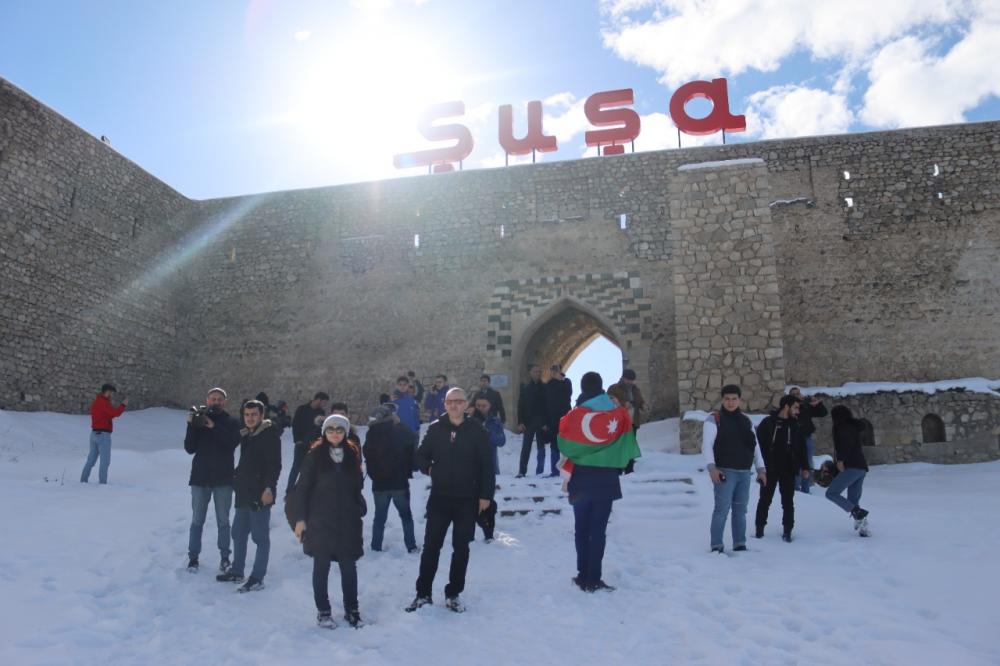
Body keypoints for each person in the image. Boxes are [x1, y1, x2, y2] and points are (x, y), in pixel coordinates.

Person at [406, 388, 495, 614]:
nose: (453, 405)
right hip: (440, 498)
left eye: (458, 401)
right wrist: (430, 469)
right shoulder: (436, 429)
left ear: (466, 404)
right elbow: (420, 456)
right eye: (449, 402)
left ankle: (453, 593)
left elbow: (487, 464)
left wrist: (486, 495)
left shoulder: (477, 430)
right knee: (431, 547)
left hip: (467, 499)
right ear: (445, 405)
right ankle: (423, 593)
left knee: (461, 548)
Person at [557, 372, 640, 592]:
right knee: (598, 531)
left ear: (582, 388)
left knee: (581, 529)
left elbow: (564, 443)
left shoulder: (575, 414)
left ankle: (582, 575)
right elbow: (628, 432)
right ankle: (594, 578)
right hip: (605, 479)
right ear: (601, 386)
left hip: (580, 479)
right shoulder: (615, 412)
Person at [293, 414, 366, 628]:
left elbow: (356, 485)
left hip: (347, 520)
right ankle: (323, 611)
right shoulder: (315, 455)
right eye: (330, 429)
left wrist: (359, 504)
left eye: (339, 429)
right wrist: (300, 519)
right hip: (320, 520)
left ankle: (352, 610)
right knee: (321, 566)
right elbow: (302, 489)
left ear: (345, 432)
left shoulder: (352, 454)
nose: (335, 433)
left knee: (348, 567)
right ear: (324, 432)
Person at [217, 400, 282, 592]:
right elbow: (247, 462)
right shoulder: (248, 434)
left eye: (254, 414)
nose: (250, 418)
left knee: (260, 537)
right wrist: (235, 476)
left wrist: (269, 488)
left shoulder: (269, 435)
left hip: (260, 494)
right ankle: (237, 571)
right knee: (238, 533)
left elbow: (274, 466)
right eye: (247, 415)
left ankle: (257, 577)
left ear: (261, 415)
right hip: (244, 492)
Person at [703, 385, 767, 553]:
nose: (730, 402)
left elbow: (755, 446)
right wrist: (712, 469)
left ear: (739, 400)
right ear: (722, 400)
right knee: (721, 510)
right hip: (725, 472)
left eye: (734, 399)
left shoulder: (746, 421)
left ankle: (739, 544)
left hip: (744, 473)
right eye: (727, 399)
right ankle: (716, 545)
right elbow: (707, 446)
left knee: (740, 511)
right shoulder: (714, 419)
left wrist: (761, 469)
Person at [184, 387, 241, 572]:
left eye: (219, 399)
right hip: (200, 478)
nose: (216, 402)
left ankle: (225, 557)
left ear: (225, 402)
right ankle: (193, 557)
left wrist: (213, 427)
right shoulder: (199, 420)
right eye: (213, 399)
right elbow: (189, 448)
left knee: (223, 521)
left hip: (223, 479)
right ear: (207, 401)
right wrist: (191, 425)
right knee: (197, 520)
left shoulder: (232, 422)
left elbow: (232, 443)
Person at [363, 403, 419, 553]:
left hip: (379, 484)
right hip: (399, 482)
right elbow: (413, 439)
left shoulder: (371, 434)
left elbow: (367, 455)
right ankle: (411, 546)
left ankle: (375, 547)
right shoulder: (399, 431)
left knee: (379, 517)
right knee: (406, 516)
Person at [754, 395, 809, 542]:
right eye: (795, 407)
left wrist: (805, 467)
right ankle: (759, 530)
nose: (797, 411)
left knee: (788, 501)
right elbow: (757, 445)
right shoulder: (768, 423)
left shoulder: (796, 425)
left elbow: (802, 448)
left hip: (789, 469)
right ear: (786, 406)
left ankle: (787, 530)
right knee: (765, 500)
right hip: (769, 468)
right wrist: (759, 466)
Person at [825, 405, 871, 535]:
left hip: (852, 467)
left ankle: (858, 513)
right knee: (853, 501)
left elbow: (846, 445)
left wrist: (840, 460)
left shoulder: (843, 428)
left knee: (831, 493)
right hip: (861, 468)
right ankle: (863, 528)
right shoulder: (852, 427)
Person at [469, 395, 505, 542]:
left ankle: (488, 533)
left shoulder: (494, 422)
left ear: (490, 406)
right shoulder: (468, 421)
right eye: (478, 405)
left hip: (488, 468)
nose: (481, 408)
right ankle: (469, 534)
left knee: (487, 501)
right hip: (469, 468)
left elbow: (501, 441)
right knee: (469, 502)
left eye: (484, 405)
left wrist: (486, 431)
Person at [80, 383, 128, 484]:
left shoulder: (96, 402)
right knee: (105, 461)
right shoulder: (104, 403)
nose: (112, 395)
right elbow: (116, 413)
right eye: (112, 393)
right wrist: (123, 405)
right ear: (108, 392)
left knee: (91, 460)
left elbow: (107, 415)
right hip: (103, 436)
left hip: (94, 434)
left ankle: (83, 482)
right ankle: (102, 485)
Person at [788, 386, 828, 493]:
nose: (797, 395)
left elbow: (823, 413)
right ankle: (796, 489)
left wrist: (817, 404)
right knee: (796, 463)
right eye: (794, 394)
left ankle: (806, 490)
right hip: (794, 438)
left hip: (806, 437)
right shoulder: (789, 407)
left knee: (808, 463)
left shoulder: (806, 406)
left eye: (798, 393)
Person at [287, 391, 329, 493]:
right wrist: (297, 440)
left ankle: (302, 489)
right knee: (296, 467)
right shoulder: (302, 409)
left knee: (309, 468)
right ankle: (289, 490)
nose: (325, 405)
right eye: (324, 402)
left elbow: (320, 430)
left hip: (313, 445)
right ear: (318, 400)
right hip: (301, 443)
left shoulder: (321, 412)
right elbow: (296, 425)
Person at [516, 365, 549, 478]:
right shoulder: (525, 388)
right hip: (528, 422)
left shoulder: (544, 388)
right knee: (526, 447)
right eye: (535, 371)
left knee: (541, 447)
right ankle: (522, 471)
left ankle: (540, 472)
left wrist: (546, 422)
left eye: (539, 371)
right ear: (530, 373)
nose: (538, 373)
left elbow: (547, 406)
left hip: (541, 421)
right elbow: (520, 406)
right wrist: (520, 422)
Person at [543, 364, 573, 477]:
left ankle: (569, 470)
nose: (554, 372)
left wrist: (561, 379)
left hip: (565, 418)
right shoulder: (548, 385)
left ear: (560, 371)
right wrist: (545, 421)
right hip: (553, 419)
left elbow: (568, 393)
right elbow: (546, 403)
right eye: (552, 370)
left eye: (556, 370)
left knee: (567, 444)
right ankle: (555, 471)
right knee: (554, 445)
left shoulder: (566, 383)